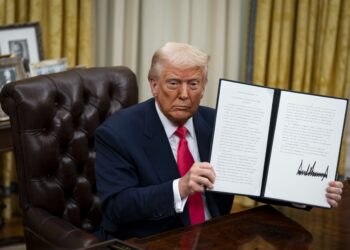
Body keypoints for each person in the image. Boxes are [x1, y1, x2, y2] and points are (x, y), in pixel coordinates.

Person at [95, 42, 343, 240]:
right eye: (173, 83)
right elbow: (118, 207)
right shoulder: (117, 133)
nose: (184, 94)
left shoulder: (220, 122)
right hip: (153, 240)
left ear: (203, 87)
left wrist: (311, 190)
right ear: (154, 85)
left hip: (217, 237)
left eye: (193, 84)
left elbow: (257, 180)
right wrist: (180, 187)